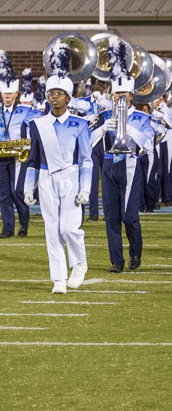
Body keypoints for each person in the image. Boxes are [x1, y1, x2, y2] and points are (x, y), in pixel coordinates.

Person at [23, 41, 93, 294]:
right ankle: (58, 279)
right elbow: (33, 157)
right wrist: (29, 187)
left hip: (71, 177)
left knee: (68, 227)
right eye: (50, 93)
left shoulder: (79, 124)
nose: (54, 96)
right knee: (51, 230)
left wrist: (86, 188)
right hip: (45, 177)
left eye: (59, 93)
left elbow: (86, 159)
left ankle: (80, 263)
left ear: (68, 97)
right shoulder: (37, 124)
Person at [90, 39, 156, 272]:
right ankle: (116, 261)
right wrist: (101, 128)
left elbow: (148, 144)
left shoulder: (142, 118)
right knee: (111, 218)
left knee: (129, 217)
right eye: (117, 95)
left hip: (130, 165)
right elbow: (87, 143)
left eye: (124, 95)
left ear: (131, 97)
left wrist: (127, 127)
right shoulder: (105, 114)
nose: (120, 99)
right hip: (109, 166)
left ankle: (135, 251)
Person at [0, 51, 37, 239]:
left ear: (16, 93)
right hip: (0, 157)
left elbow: (41, 123)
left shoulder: (25, 110)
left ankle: (23, 223)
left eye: (10, 93)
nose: (7, 96)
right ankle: (7, 228)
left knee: (17, 191)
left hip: (18, 157)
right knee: (3, 194)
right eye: (4, 93)